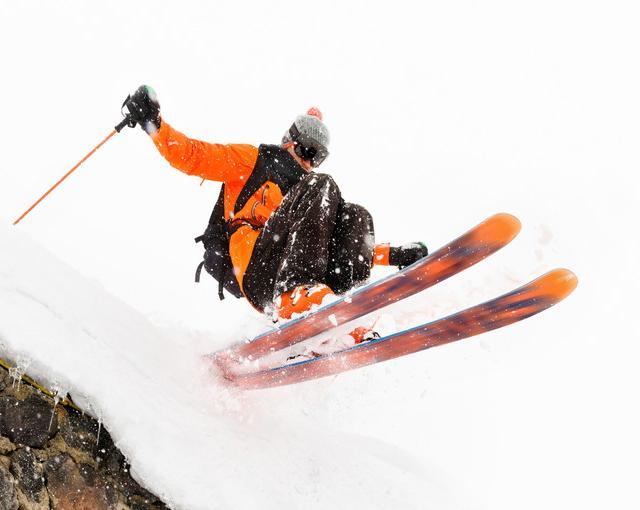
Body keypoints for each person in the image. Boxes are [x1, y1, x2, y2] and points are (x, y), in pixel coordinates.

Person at [122, 85, 428, 340]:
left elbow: (336, 244)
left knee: (355, 214)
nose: (310, 161)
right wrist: (153, 122)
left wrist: (392, 256)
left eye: (318, 157)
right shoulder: (253, 161)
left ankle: (341, 314)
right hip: (261, 272)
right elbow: (191, 155)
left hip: (303, 272)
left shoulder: (313, 191)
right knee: (324, 187)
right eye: (308, 151)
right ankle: (296, 298)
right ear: (290, 141)